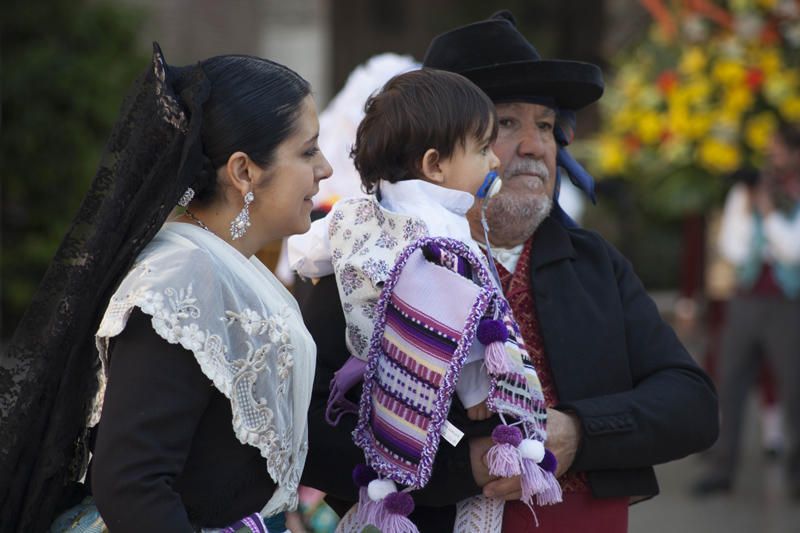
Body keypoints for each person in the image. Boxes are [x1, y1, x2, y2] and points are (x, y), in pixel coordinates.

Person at [297, 11, 719, 533]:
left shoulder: (592, 263)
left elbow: (692, 404)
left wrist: (580, 434)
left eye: (545, 124)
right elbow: (307, 432)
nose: (535, 145)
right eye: (505, 125)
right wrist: (461, 467)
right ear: (435, 153)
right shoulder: (368, 259)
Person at [0, 44, 332, 532]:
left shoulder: (225, 265)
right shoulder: (182, 278)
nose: (324, 168)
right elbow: (133, 483)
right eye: (307, 151)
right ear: (243, 171)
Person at [693, 120, 800, 497]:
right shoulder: (746, 190)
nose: (771, 155)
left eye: (778, 148)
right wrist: (764, 236)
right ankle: (722, 469)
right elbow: (732, 246)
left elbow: (793, 250)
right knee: (729, 382)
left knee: (795, 388)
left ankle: (796, 475)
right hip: (746, 298)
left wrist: (768, 215)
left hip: (790, 304)